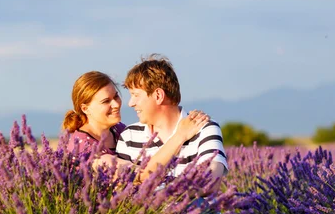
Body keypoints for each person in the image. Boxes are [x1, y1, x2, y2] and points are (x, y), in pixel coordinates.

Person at [62, 71, 210, 181]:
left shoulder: (120, 131)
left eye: (116, 96)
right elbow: (137, 174)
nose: (116, 104)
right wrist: (180, 135)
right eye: (106, 101)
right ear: (85, 108)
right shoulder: (80, 146)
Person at [116, 54, 228, 193]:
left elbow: (210, 182)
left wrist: (155, 194)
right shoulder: (129, 136)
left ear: (158, 96)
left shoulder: (204, 127)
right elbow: (123, 190)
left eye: (136, 95)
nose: (131, 103)